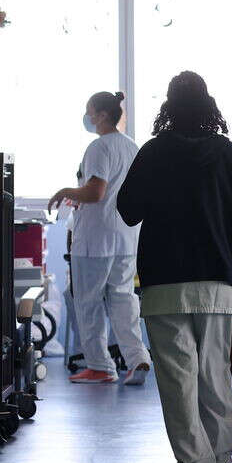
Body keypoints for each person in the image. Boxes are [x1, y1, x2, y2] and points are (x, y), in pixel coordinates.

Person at [116, 72, 232, 463]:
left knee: (177, 376)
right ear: (208, 104)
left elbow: (127, 210)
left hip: (164, 280)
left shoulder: (152, 152)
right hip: (219, 280)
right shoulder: (229, 154)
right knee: (214, 370)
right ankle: (219, 459)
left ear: (168, 106)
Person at [48, 91, 152, 386]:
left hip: (95, 240)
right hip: (126, 237)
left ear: (103, 115)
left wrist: (66, 192)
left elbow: (95, 192)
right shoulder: (132, 147)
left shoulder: (99, 147)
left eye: (90, 111)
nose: (88, 117)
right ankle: (137, 359)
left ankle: (99, 366)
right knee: (123, 300)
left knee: (88, 302)